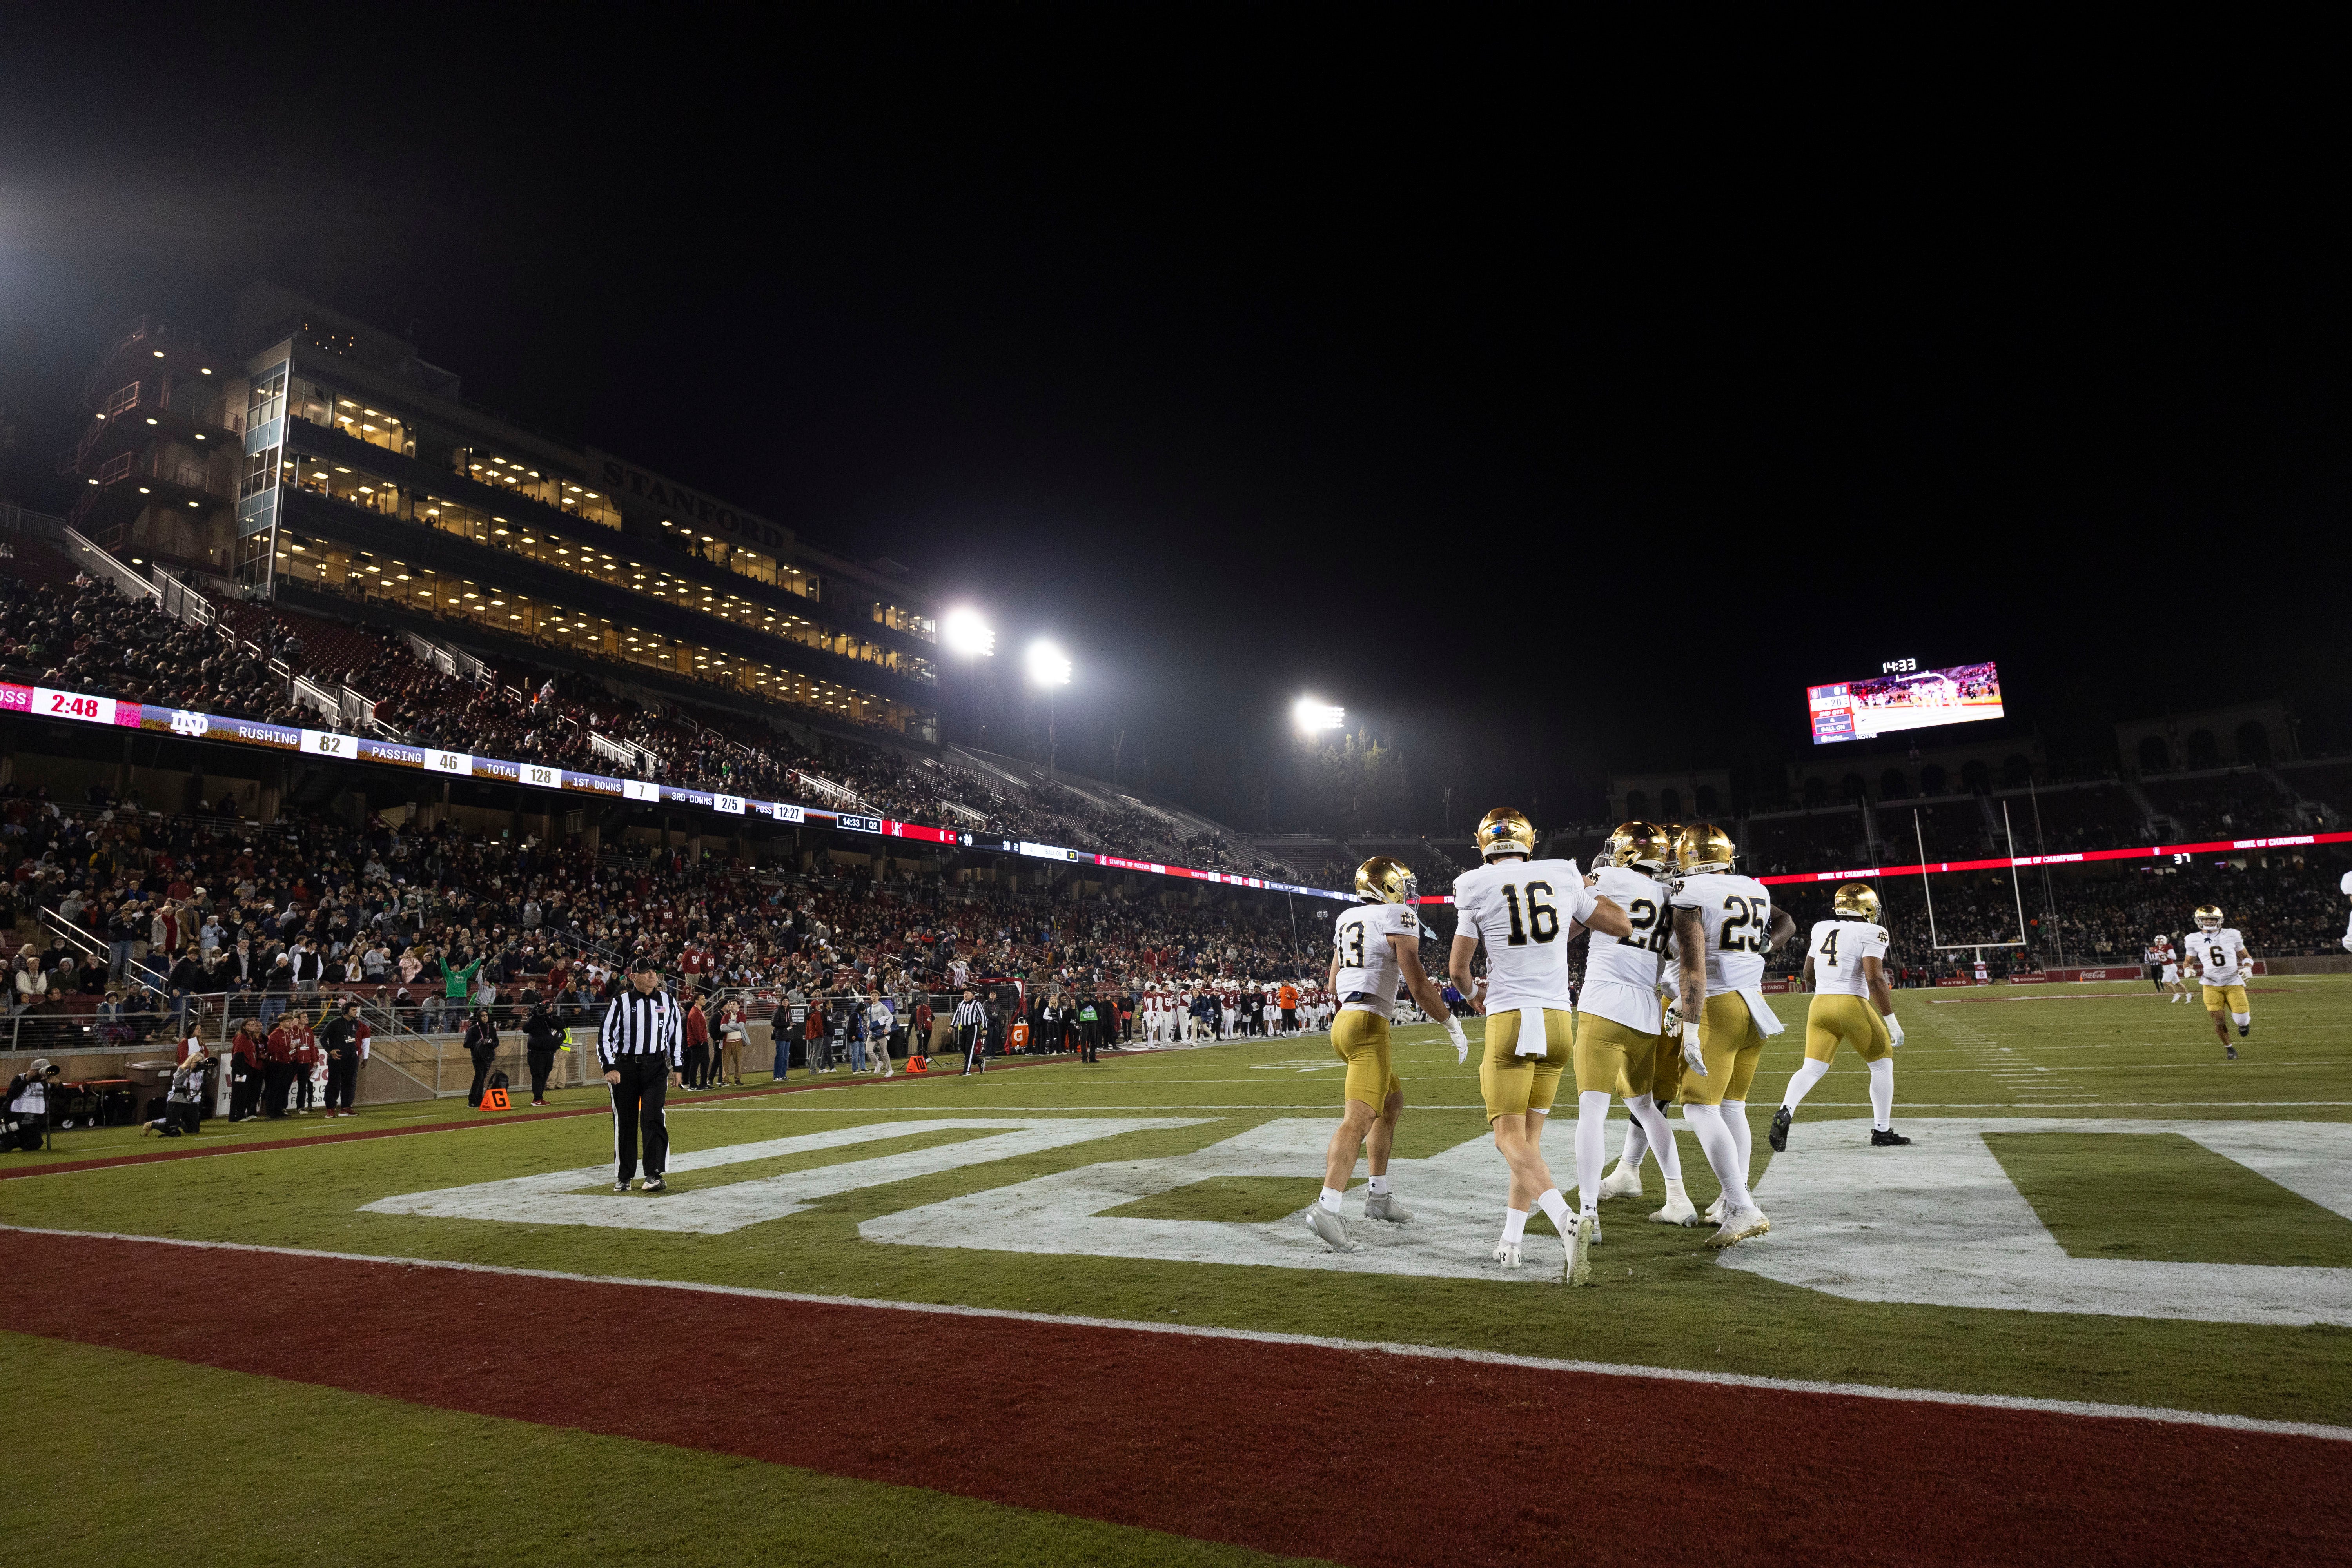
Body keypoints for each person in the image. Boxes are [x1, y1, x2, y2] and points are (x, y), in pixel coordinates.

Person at [1448, 808, 1631, 1284]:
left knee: (1506, 1137)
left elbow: (1458, 970)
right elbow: (1621, 925)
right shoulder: (1561, 874)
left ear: (1482, 844)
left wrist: (1473, 996)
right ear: (1531, 841)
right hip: (1557, 1022)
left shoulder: (1473, 884)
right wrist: (1586, 891)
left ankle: (1566, 1221)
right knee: (1527, 1145)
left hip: (1510, 1017)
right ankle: (1511, 1240)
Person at [1305, 857, 1467, 1253]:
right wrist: (1451, 1022)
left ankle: (1377, 1196)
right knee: (1357, 1120)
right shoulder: (1398, 916)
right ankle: (1327, 1207)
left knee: (1391, 1102)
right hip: (1367, 1027)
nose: (1408, 895)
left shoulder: (1346, 918)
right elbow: (1418, 984)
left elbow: (1332, 982)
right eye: (1403, 886)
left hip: (1345, 1020)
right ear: (1388, 888)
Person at [1667, 823, 1796, 1249]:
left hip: (1718, 1008)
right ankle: (1731, 1198)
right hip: (1753, 1005)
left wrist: (1688, 1024)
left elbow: (1692, 966)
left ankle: (1741, 1205)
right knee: (1733, 1107)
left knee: (1699, 1107)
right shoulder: (1753, 886)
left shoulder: (1691, 893)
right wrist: (1764, 949)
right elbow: (1787, 922)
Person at [1768, 883, 1909, 1154]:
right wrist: (1891, 1020)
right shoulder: (1873, 931)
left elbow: (1809, 972)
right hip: (1851, 1004)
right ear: (1866, 907)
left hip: (1819, 1005)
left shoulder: (1821, 927)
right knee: (1882, 1065)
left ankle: (1786, 1110)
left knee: (1811, 1068)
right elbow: (1875, 978)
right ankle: (1882, 1131)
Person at [598, 956, 684, 1194]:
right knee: (625, 1122)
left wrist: (677, 1067)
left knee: (654, 1115)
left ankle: (654, 1174)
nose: (653, 976)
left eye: (654, 972)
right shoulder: (621, 1002)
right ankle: (624, 1176)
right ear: (634, 977)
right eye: (647, 973)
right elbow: (604, 1036)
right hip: (625, 1068)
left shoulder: (667, 1000)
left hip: (656, 1066)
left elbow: (676, 1035)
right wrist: (609, 1067)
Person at [2187, 905, 2256, 1058]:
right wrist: (2187, 969)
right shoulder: (2193, 939)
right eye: (2206, 919)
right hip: (2210, 984)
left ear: (2220, 920)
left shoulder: (2232, 935)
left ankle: (2243, 1025)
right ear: (2199, 921)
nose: (2210, 922)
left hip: (2233, 981)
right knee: (2219, 1020)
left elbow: (2246, 957)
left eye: (2213, 919)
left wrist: (2248, 968)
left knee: (2242, 1019)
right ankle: (2230, 1048)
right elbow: (2188, 961)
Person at [141, 1045, 207, 1138]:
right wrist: (189, 1071)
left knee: (193, 1130)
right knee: (170, 1128)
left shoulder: (201, 1072)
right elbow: (177, 1082)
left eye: (200, 1062)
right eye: (196, 1062)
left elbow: (208, 1081)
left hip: (192, 1102)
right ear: (190, 1061)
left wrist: (208, 1069)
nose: (198, 1064)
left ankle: (178, 1123)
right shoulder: (182, 1069)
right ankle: (151, 1124)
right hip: (178, 1100)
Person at [4, 1058, 60, 1150]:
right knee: (5, 1146)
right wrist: (27, 1080)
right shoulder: (21, 1078)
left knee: (36, 1144)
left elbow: (62, 1095)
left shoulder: (48, 1082)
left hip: (32, 1123)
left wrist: (58, 1085)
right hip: (14, 1120)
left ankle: (18, 1141)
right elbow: (11, 1095)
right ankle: (8, 1140)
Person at [320, 1000, 364, 1118]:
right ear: (346, 1011)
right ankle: (330, 1109)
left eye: (357, 1010)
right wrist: (330, 1051)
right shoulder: (335, 1023)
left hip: (351, 1058)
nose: (356, 1012)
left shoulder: (356, 1023)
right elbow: (323, 1039)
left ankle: (345, 1108)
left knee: (349, 1084)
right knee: (334, 1084)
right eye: (354, 1010)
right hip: (337, 1058)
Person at [522, 998, 564, 1105]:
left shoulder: (553, 1018)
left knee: (545, 1075)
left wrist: (546, 1018)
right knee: (538, 1075)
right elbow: (525, 1029)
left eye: (550, 1007)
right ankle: (537, 1099)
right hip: (535, 1053)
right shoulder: (535, 1019)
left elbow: (561, 1026)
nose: (548, 1009)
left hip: (549, 1053)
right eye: (547, 1007)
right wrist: (535, 1016)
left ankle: (539, 1098)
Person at [228, 1016, 267, 1121]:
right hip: (241, 1069)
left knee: (244, 1092)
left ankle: (240, 1114)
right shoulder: (242, 1038)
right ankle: (236, 1116)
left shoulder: (250, 1038)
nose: (252, 1027)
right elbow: (238, 1055)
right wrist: (241, 1072)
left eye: (253, 1025)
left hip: (246, 1068)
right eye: (249, 1025)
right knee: (239, 1093)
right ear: (244, 1027)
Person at [463, 1006, 501, 1108]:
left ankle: (479, 1100)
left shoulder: (492, 1029)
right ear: (479, 1017)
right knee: (479, 1077)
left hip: (488, 1057)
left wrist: (492, 1044)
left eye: (486, 1016)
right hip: (478, 1057)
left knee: (483, 1078)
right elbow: (466, 1044)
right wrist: (479, 1043)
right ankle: (472, 1100)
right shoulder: (473, 1029)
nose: (485, 1018)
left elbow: (497, 1042)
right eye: (483, 1016)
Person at [681, 993, 711, 1090]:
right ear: (696, 1001)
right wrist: (701, 1041)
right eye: (702, 999)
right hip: (697, 1042)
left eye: (704, 999)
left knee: (705, 1062)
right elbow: (696, 1029)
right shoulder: (695, 1013)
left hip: (701, 1041)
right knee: (695, 1064)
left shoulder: (699, 1011)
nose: (704, 1000)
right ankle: (693, 1085)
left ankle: (703, 1083)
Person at [953, 986, 986, 1073]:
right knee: (964, 1048)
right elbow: (957, 1016)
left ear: (973, 995)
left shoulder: (977, 1004)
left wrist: (985, 1028)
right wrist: (952, 1026)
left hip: (973, 1028)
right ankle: (979, 1061)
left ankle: (967, 1071)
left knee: (970, 1049)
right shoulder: (961, 1004)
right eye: (964, 993)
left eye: (968, 993)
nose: (965, 995)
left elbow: (983, 1017)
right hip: (964, 1029)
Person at [716, 998, 749, 1086]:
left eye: (734, 1004)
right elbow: (723, 1028)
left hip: (738, 1042)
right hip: (727, 1042)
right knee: (725, 1062)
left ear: (738, 1006)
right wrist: (735, 1027)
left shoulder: (742, 1015)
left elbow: (741, 1026)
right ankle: (725, 1080)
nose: (731, 1006)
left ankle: (737, 1079)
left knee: (738, 1061)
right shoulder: (726, 1016)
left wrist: (730, 1027)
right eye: (731, 1005)